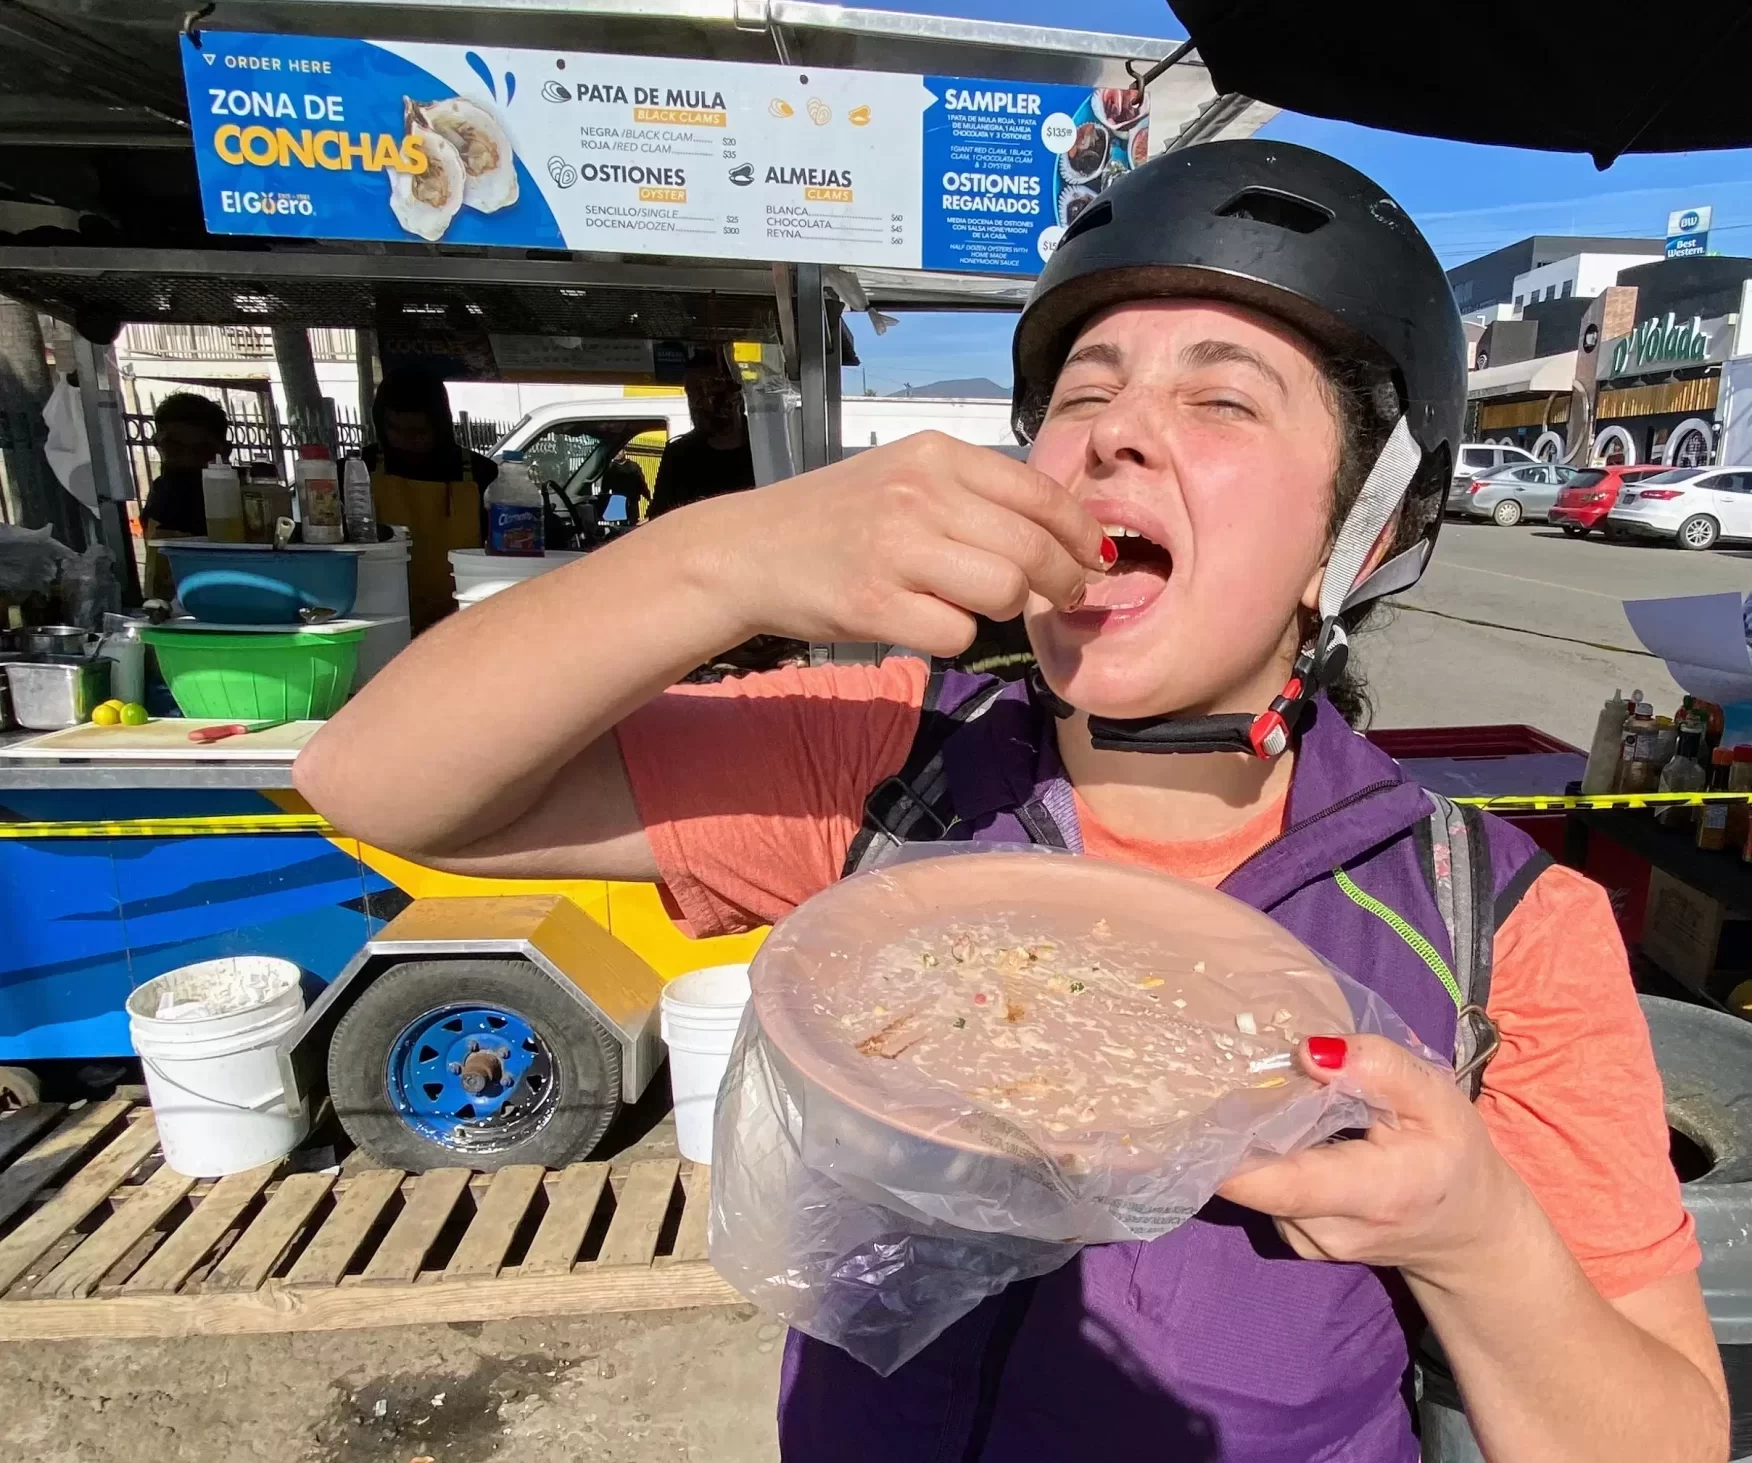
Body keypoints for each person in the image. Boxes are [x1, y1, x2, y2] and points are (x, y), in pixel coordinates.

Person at [296, 142, 1727, 1463]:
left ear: (1362, 532)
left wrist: (1474, 1232)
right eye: (1083, 393)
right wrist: (723, 560)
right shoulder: (890, 769)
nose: (1115, 436)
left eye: (1222, 397)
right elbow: (372, 780)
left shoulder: (1494, 919)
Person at [363, 362, 498, 633]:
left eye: (417, 432)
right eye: (394, 429)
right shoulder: (359, 469)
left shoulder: (481, 473)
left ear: (440, 425)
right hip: (382, 617)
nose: (404, 441)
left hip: (463, 619)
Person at [141, 391, 229, 601]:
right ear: (158, 444)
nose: (186, 460)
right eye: (174, 448)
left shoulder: (237, 501)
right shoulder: (162, 490)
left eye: (200, 450)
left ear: (224, 451)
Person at [647, 353, 756, 517]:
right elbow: (660, 519)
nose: (696, 404)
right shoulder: (679, 456)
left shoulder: (763, 448)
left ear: (734, 393)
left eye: (705, 391)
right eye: (691, 394)